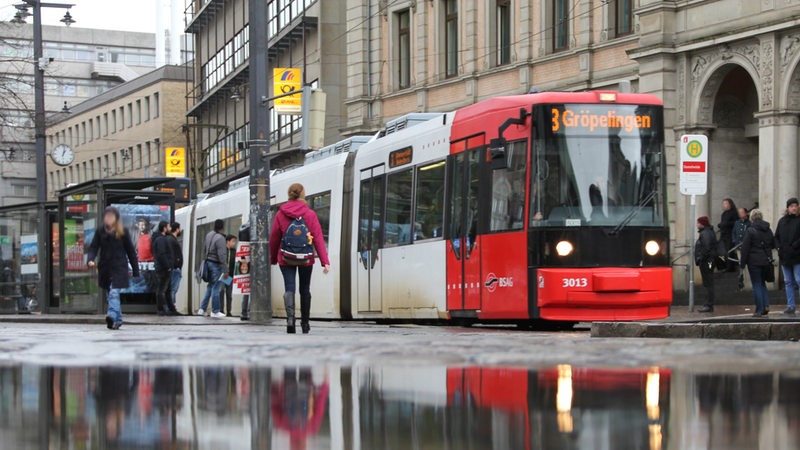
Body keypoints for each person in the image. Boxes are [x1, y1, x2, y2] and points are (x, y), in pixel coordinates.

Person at [270, 183, 331, 334]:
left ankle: (290, 320)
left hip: (285, 257)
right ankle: (305, 323)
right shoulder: (310, 214)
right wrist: (325, 261)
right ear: (303, 194)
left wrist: (272, 258)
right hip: (306, 257)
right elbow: (317, 238)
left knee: (289, 288)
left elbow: (274, 238)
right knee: (305, 289)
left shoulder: (280, 214)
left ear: (289, 194)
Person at [86, 206, 140, 330]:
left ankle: (111, 316)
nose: (108, 218)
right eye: (107, 216)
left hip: (119, 268)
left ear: (116, 218)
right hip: (105, 268)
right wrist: (90, 259)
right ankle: (118, 320)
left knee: (114, 294)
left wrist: (136, 270)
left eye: (111, 216)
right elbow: (94, 247)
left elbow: (131, 252)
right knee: (110, 295)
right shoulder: (100, 231)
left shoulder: (123, 232)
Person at [740, 209, 775, 317]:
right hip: (766, 260)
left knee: (757, 285)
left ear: (752, 218)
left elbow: (745, 248)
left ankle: (759, 309)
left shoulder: (750, 230)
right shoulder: (768, 230)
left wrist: (742, 263)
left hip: (754, 261)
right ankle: (766, 305)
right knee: (762, 284)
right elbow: (772, 244)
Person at [774, 197, 800, 316]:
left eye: (796, 205)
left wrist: (795, 245)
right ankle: (791, 305)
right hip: (784, 256)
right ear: (788, 208)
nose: (794, 208)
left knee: (799, 279)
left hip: (797, 255)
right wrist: (779, 247)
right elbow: (776, 237)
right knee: (788, 282)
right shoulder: (782, 221)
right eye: (792, 206)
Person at [197, 219, 228, 318]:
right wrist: (225, 269)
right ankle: (215, 311)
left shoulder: (209, 235)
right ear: (222, 227)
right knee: (216, 287)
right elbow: (222, 255)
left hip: (208, 263)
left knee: (210, 287)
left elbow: (204, 249)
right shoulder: (220, 238)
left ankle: (202, 309)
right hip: (216, 265)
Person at [151, 221, 175, 316]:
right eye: (168, 226)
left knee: (166, 289)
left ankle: (170, 308)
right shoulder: (161, 240)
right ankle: (161, 309)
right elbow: (162, 254)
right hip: (163, 269)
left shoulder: (159, 239)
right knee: (162, 289)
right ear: (164, 228)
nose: (170, 228)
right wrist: (167, 266)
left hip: (162, 267)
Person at [695, 216, 717, 313]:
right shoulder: (707, 232)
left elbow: (706, 248)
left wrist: (700, 258)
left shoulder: (705, 233)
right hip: (708, 260)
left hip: (707, 261)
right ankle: (708, 304)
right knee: (708, 282)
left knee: (708, 282)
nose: (697, 224)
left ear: (702, 223)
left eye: (698, 223)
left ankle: (708, 304)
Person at [718, 198, 738, 272]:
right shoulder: (724, 214)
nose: (724, 205)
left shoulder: (734, 213)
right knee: (721, 251)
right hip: (724, 235)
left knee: (730, 251)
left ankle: (730, 267)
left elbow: (735, 223)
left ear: (730, 204)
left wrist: (725, 224)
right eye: (723, 204)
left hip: (730, 235)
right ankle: (723, 266)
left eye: (725, 204)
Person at [167, 222, 183, 314]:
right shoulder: (172, 240)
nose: (180, 230)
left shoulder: (170, 239)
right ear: (177, 229)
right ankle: (171, 308)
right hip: (175, 269)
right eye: (179, 228)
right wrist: (176, 265)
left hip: (174, 268)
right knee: (173, 289)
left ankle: (171, 307)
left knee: (172, 289)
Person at [219, 234, 237, 317]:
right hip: (223, 275)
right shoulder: (223, 250)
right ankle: (221, 310)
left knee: (229, 294)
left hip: (230, 275)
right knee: (221, 291)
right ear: (228, 241)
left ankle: (229, 311)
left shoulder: (234, 251)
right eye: (233, 241)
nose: (234, 243)